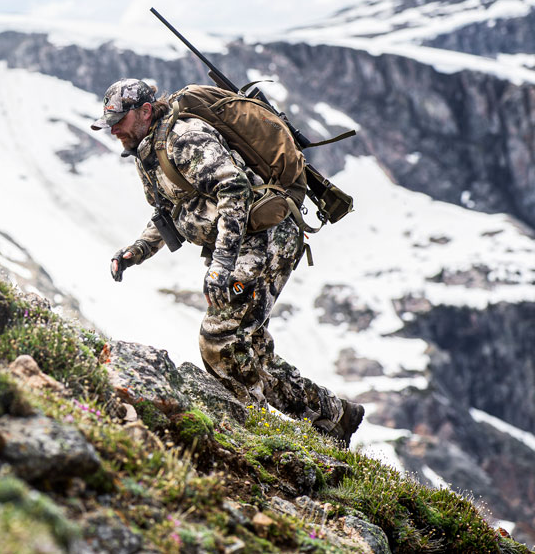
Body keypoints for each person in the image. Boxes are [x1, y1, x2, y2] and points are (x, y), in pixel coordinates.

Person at [91, 78, 364, 446]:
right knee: (251, 349)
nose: (114, 131)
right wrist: (135, 252)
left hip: (266, 239)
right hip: (244, 245)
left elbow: (233, 189)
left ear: (144, 111)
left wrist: (221, 264)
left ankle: (256, 430)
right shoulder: (147, 149)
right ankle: (336, 417)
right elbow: (173, 210)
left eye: (119, 121)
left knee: (219, 340)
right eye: (110, 124)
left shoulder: (184, 137)